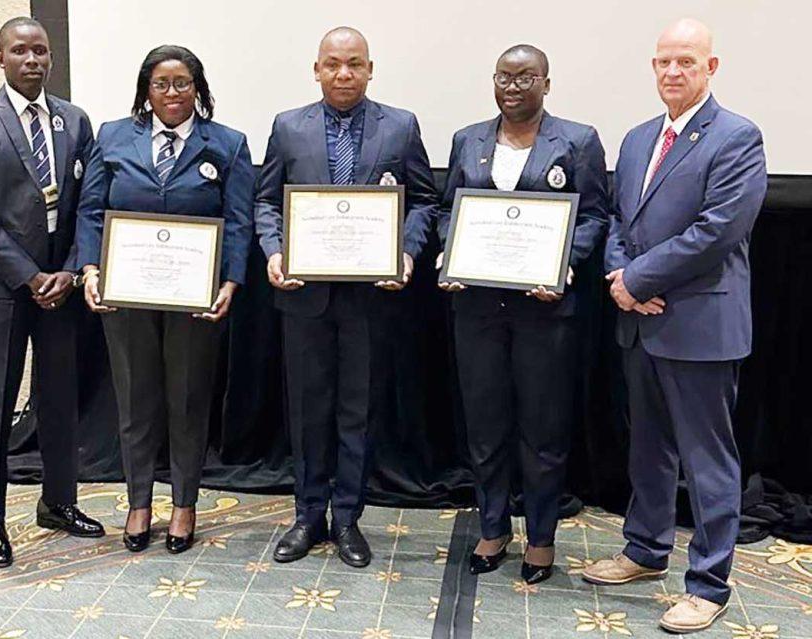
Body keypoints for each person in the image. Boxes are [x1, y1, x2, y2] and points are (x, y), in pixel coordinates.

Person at [583, 19, 767, 634]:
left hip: (700, 326)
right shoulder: (638, 139)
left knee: (707, 459)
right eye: (663, 62)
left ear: (711, 68)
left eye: (686, 62)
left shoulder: (737, 137)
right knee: (648, 449)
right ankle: (644, 550)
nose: (672, 72)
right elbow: (617, 220)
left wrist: (639, 281)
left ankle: (709, 583)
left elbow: (718, 230)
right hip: (641, 322)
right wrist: (619, 276)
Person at [254, 26, 436, 568]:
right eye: (332, 64)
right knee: (309, 411)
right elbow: (266, 202)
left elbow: (424, 200)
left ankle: (348, 519)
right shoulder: (288, 127)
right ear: (316, 69)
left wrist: (405, 252)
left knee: (358, 410)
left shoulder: (400, 127)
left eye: (354, 64)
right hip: (304, 295)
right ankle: (308, 515)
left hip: (369, 299)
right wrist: (274, 251)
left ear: (370, 68)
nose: (343, 74)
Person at [437, 45, 609, 584]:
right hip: (478, 308)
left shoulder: (577, 141)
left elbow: (596, 215)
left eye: (525, 78)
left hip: (545, 312)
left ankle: (540, 537)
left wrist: (564, 264)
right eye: (504, 78)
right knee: (486, 425)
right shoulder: (469, 139)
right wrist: (450, 251)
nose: (513, 87)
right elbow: (449, 209)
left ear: (546, 84)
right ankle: (492, 527)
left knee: (542, 429)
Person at [75, 45, 255, 554]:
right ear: (145, 90)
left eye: (182, 83)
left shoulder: (228, 144)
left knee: (189, 400)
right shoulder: (112, 137)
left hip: (195, 298)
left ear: (198, 89)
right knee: (135, 403)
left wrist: (230, 283)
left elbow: (239, 221)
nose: (172, 94)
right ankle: (138, 503)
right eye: (161, 84)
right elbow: (91, 212)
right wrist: (90, 270)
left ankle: (184, 504)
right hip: (126, 296)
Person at [0, 16, 103, 569]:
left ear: (51, 58)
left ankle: (58, 502)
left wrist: (71, 269)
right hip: (3, 287)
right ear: (0, 58)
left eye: (41, 51)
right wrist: (28, 275)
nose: (32, 60)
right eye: (20, 51)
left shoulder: (74, 120)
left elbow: (89, 203)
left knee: (59, 396)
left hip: (62, 285)